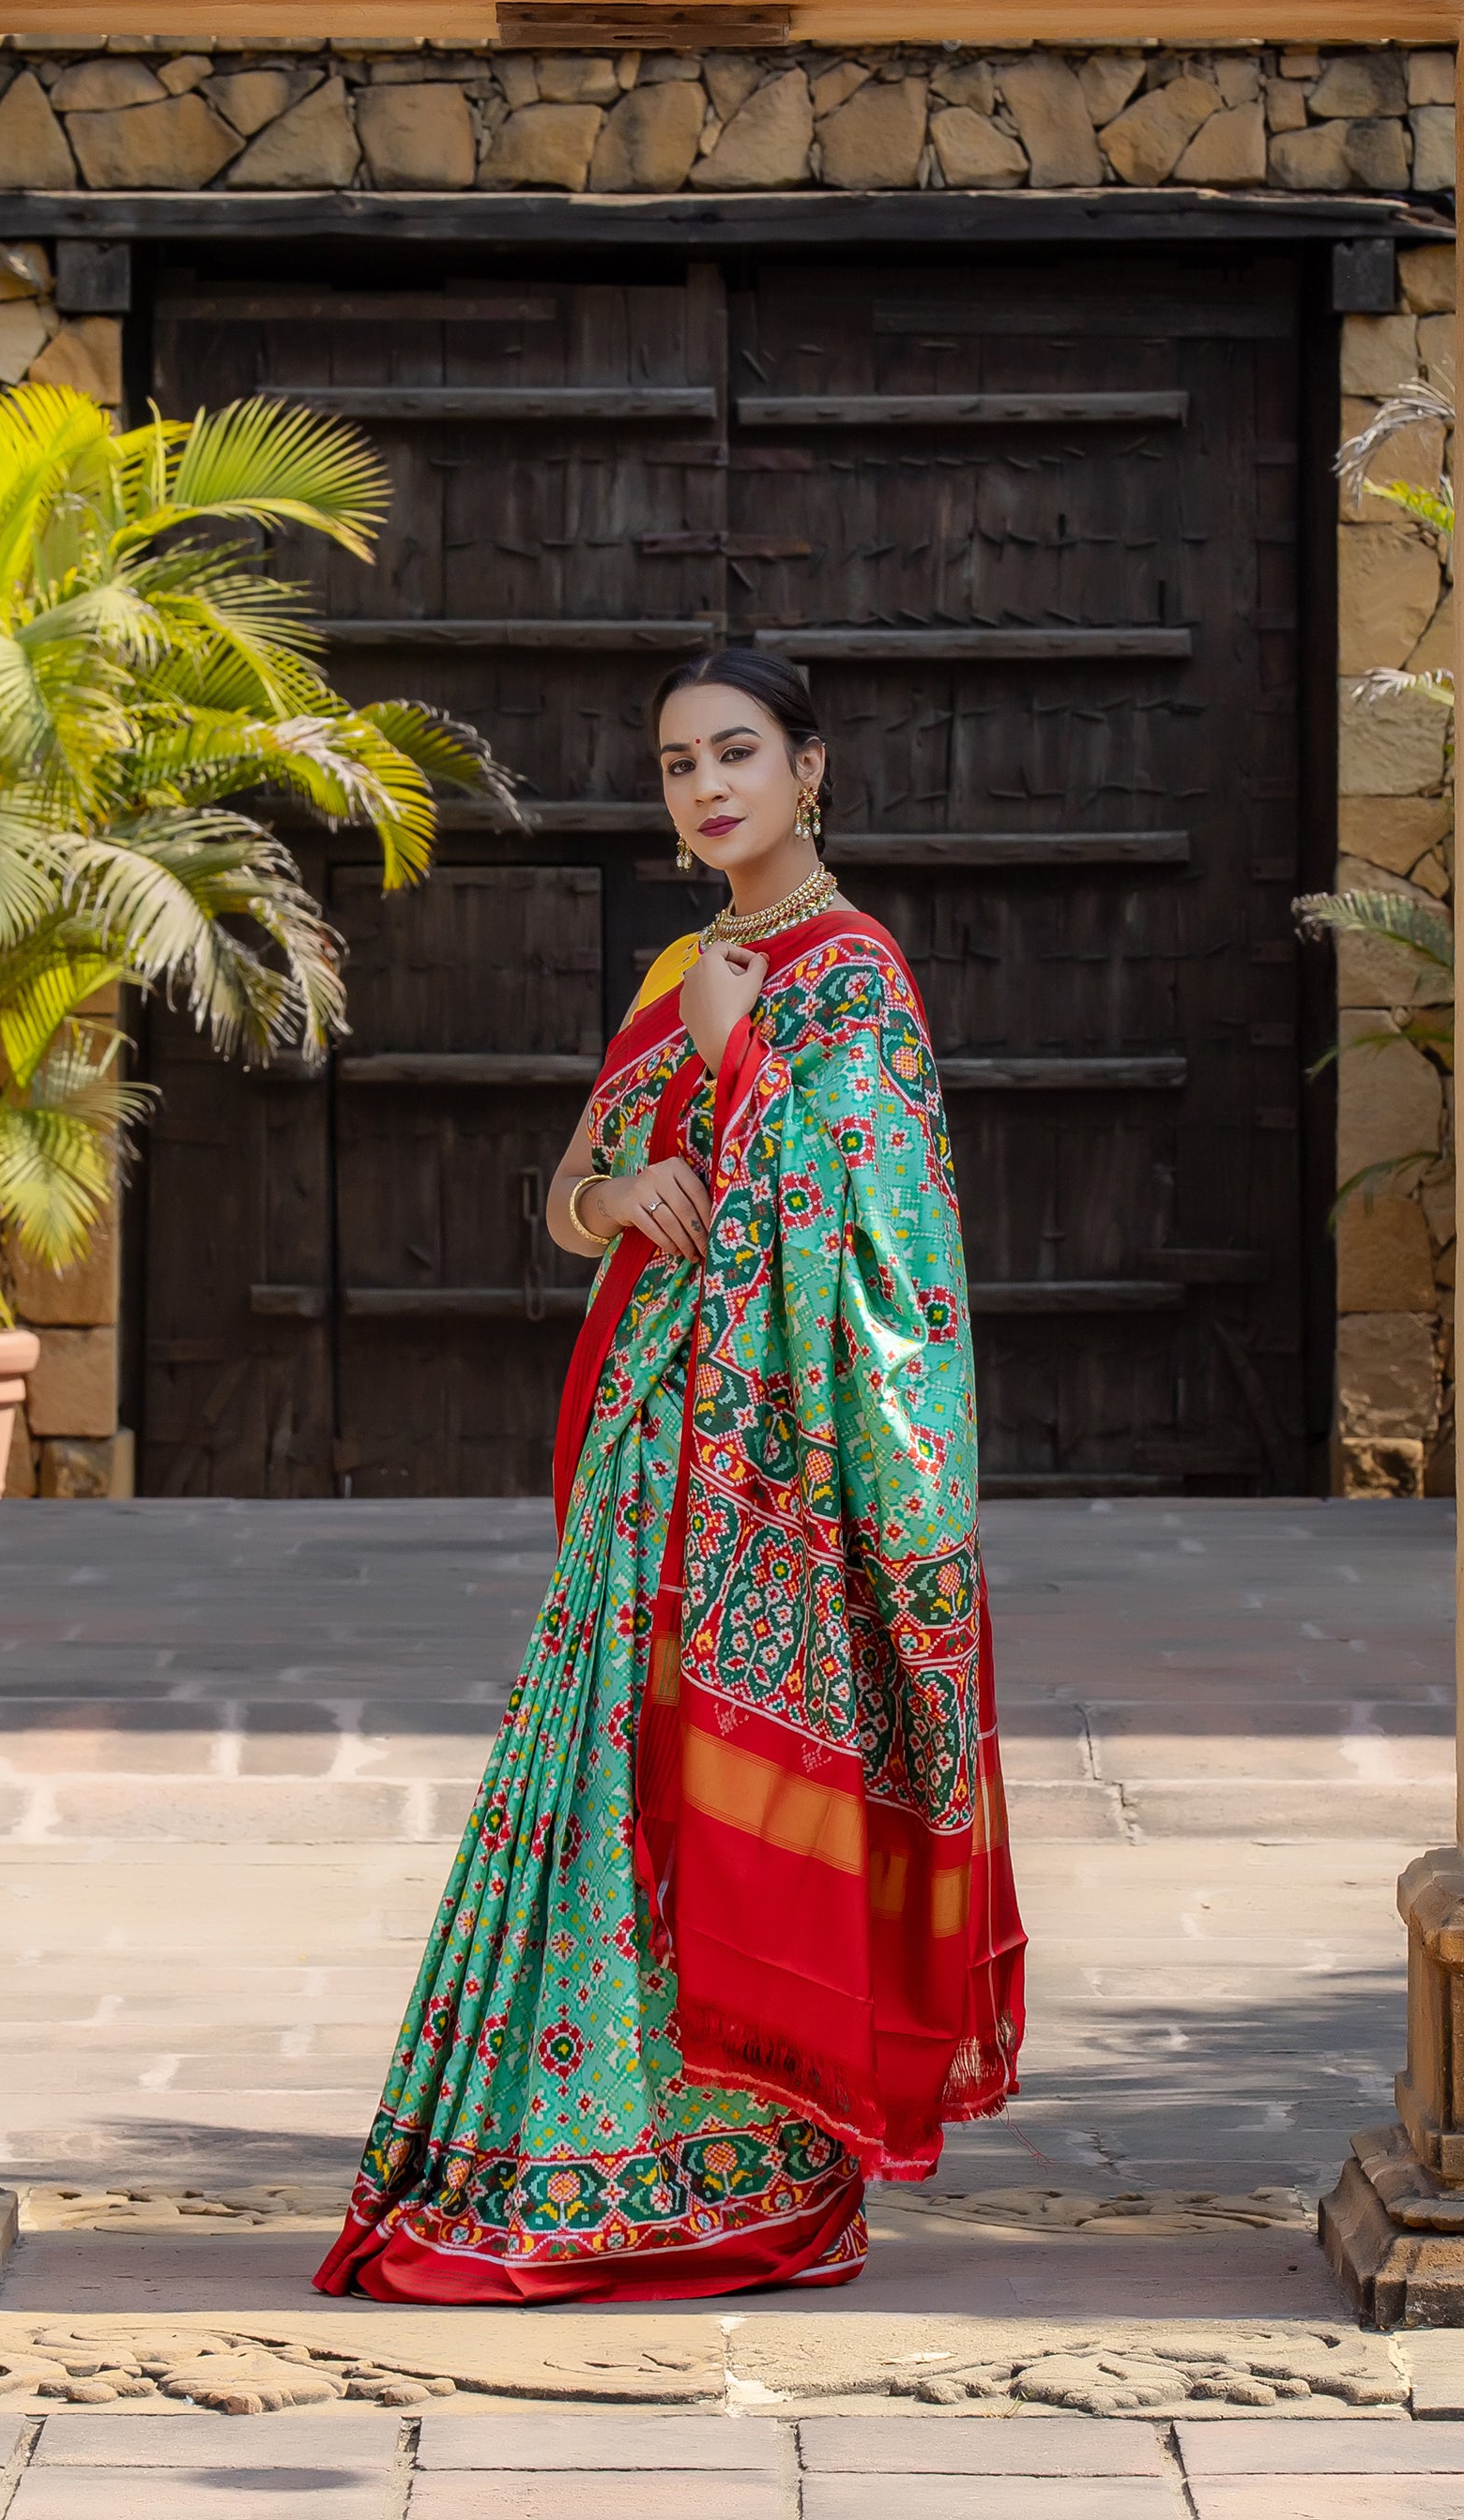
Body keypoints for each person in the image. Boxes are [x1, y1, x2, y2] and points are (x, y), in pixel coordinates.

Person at [315, 646, 1025, 2304]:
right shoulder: (677, 971)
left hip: (768, 1482)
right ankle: (562, 2154)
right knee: (598, 1796)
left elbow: (885, 1253)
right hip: (651, 1462)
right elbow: (568, 1198)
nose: (708, 788)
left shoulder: (855, 978)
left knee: (734, 1802)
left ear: (810, 770)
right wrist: (623, 1192)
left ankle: (758, 2178)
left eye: (738, 755)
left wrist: (746, 1048)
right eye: (677, 765)